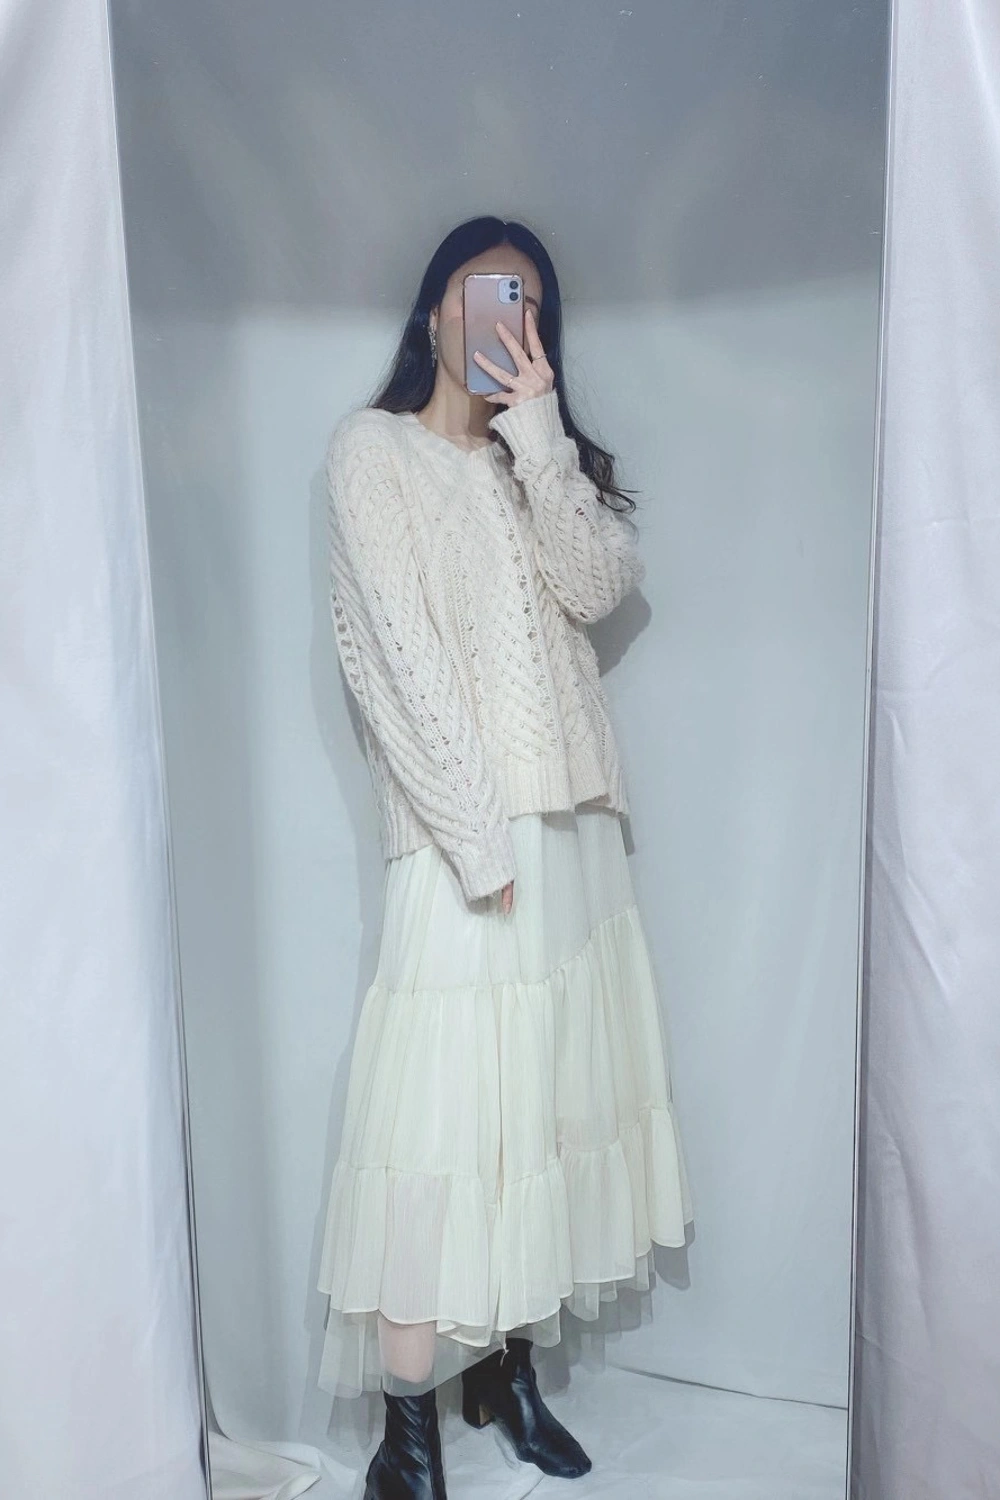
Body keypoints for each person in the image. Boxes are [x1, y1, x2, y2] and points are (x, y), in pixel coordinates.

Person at [318, 215, 692, 1500]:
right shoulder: (370, 452)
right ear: (434, 310)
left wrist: (539, 438)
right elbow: (396, 667)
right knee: (434, 1125)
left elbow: (600, 585)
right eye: (484, 297)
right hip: (465, 834)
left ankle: (506, 1370)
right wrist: (477, 843)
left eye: (526, 307)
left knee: (542, 1105)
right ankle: (405, 1431)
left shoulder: (535, 462)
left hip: (572, 829)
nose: (501, 322)